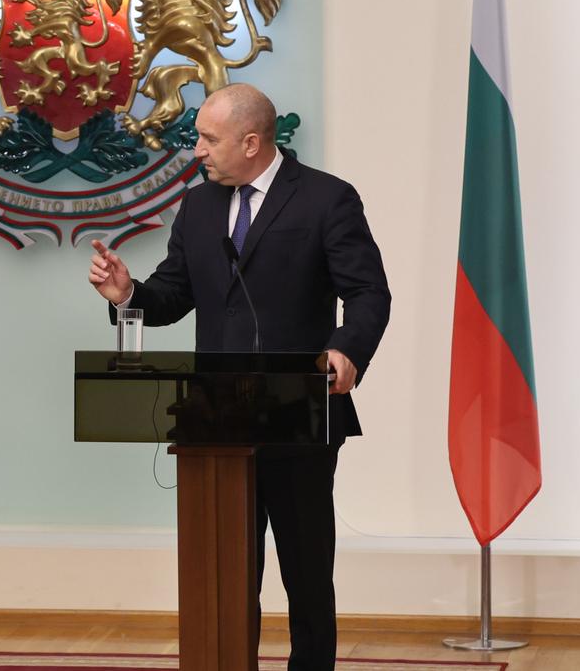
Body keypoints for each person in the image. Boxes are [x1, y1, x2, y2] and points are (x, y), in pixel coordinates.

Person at [88, 83, 389, 671]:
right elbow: (173, 293)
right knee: (225, 573)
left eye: (208, 139)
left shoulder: (326, 200)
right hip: (216, 417)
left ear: (251, 142)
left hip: (300, 410)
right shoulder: (199, 207)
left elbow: (368, 293)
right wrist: (127, 294)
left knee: (305, 573)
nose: (197, 151)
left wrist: (346, 349)